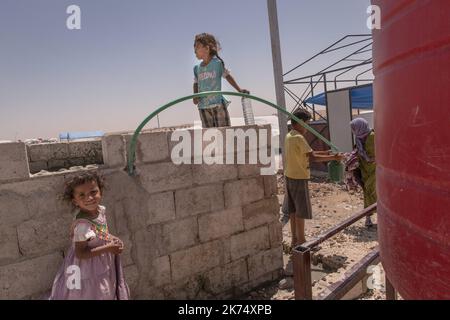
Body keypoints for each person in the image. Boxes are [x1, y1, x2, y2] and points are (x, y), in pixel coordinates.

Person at [49, 172, 130, 300]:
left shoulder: (100, 211)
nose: (89, 198)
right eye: (82, 195)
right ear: (75, 201)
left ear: (100, 192)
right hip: (86, 268)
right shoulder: (82, 226)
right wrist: (109, 248)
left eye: (93, 192)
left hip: (101, 262)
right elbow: (81, 253)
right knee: (91, 293)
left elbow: (100, 233)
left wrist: (112, 239)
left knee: (105, 290)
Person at [282, 109, 344, 246]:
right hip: (299, 178)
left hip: (289, 176)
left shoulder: (290, 136)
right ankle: (302, 241)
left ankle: (294, 240)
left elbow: (307, 152)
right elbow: (312, 157)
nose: (308, 127)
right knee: (300, 210)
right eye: (307, 123)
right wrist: (334, 157)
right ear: (300, 123)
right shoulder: (299, 137)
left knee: (292, 211)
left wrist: (326, 152)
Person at [193, 33, 249, 128]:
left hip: (218, 104)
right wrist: (195, 96)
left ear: (207, 48)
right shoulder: (197, 68)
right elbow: (196, 83)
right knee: (209, 136)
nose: (195, 50)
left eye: (197, 47)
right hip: (203, 107)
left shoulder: (217, 64)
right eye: (194, 47)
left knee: (224, 134)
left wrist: (239, 90)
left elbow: (227, 76)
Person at [350, 118, 377, 227]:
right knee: (367, 193)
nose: (353, 131)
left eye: (354, 128)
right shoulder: (358, 139)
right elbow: (360, 154)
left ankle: (381, 217)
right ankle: (368, 218)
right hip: (365, 171)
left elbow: (374, 154)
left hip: (375, 170)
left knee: (377, 192)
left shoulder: (372, 137)